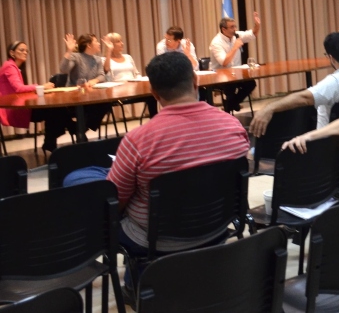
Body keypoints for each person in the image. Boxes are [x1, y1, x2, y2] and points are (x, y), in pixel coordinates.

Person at [62, 51, 250, 296]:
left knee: (78, 180)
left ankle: (136, 283)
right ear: (195, 81)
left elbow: (116, 204)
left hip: (156, 240)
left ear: (154, 93)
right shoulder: (234, 126)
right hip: (218, 226)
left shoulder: (139, 140)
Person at [249, 11, 339, 136]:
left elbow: (304, 98)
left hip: (335, 143)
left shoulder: (333, 83)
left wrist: (270, 107)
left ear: (331, 58)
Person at [60, 33, 111, 142]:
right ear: (89, 45)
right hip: (75, 96)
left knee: (107, 103)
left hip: (91, 96)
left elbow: (102, 75)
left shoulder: (97, 59)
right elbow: (63, 69)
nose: (99, 44)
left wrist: (94, 81)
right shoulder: (76, 57)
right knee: (86, 108)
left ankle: (80, 130)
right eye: (96, 41)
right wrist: (69, 51)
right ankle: (80, 131)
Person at [0, 41, 56, 136]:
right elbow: (19, 88)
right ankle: (72, 130)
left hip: (16, 104)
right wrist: (41, 86)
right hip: (11, 108)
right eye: (22, 50)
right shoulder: (9, 66)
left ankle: (52, 140)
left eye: (26, 51)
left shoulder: (14, 66)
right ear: (12, 53)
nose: (25, 53)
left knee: (54, 111)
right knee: (53, 111)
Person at [209, 12, 261, 112]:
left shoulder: (236, 35)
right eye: (232, 27)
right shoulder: (216, 43)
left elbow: (253, 34)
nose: (235, 29)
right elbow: (224, 62)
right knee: (230, 86)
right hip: (220, 76)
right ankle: (231, 106)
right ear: (224, 29)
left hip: (235, 74)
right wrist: (235, 47)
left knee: (250, 83)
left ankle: (231, 104)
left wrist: (257, 25)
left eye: (235, 26)